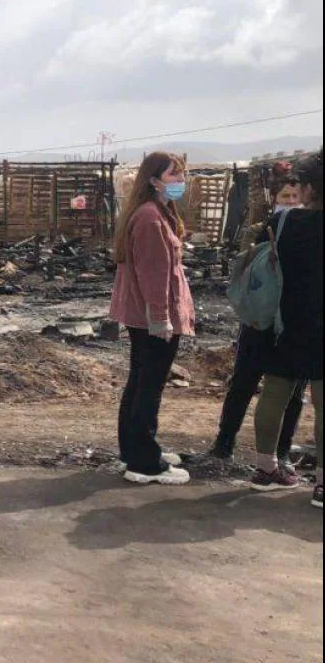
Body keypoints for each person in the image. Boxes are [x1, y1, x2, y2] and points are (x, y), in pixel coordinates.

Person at [109, 151, 194, 485]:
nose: (181, 182)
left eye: (183, 175)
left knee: (140, 382)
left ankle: (135, 450)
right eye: (175, 176)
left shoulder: (156, 212)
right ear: (155, 180)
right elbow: (153, 274)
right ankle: (145, 463)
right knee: (149, 387)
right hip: (153, 319)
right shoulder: (149, 218)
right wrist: (161, 319)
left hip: (146, 316)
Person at [207, 175, 306, 461]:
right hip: (258, 321)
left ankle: (283, 450)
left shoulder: (309, 234)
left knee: (293, 391)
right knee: (243, 383)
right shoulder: (257, 231)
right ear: (274, 200)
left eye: (295, 197)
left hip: (292, 323)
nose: (290, 202)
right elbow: (243, 270)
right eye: (285, 197)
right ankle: (224, 443)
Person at [248, 150, 322, 501]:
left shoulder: (284, 222)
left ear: (308, 188)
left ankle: (264, 468)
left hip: (286, 321)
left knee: (275, 392)